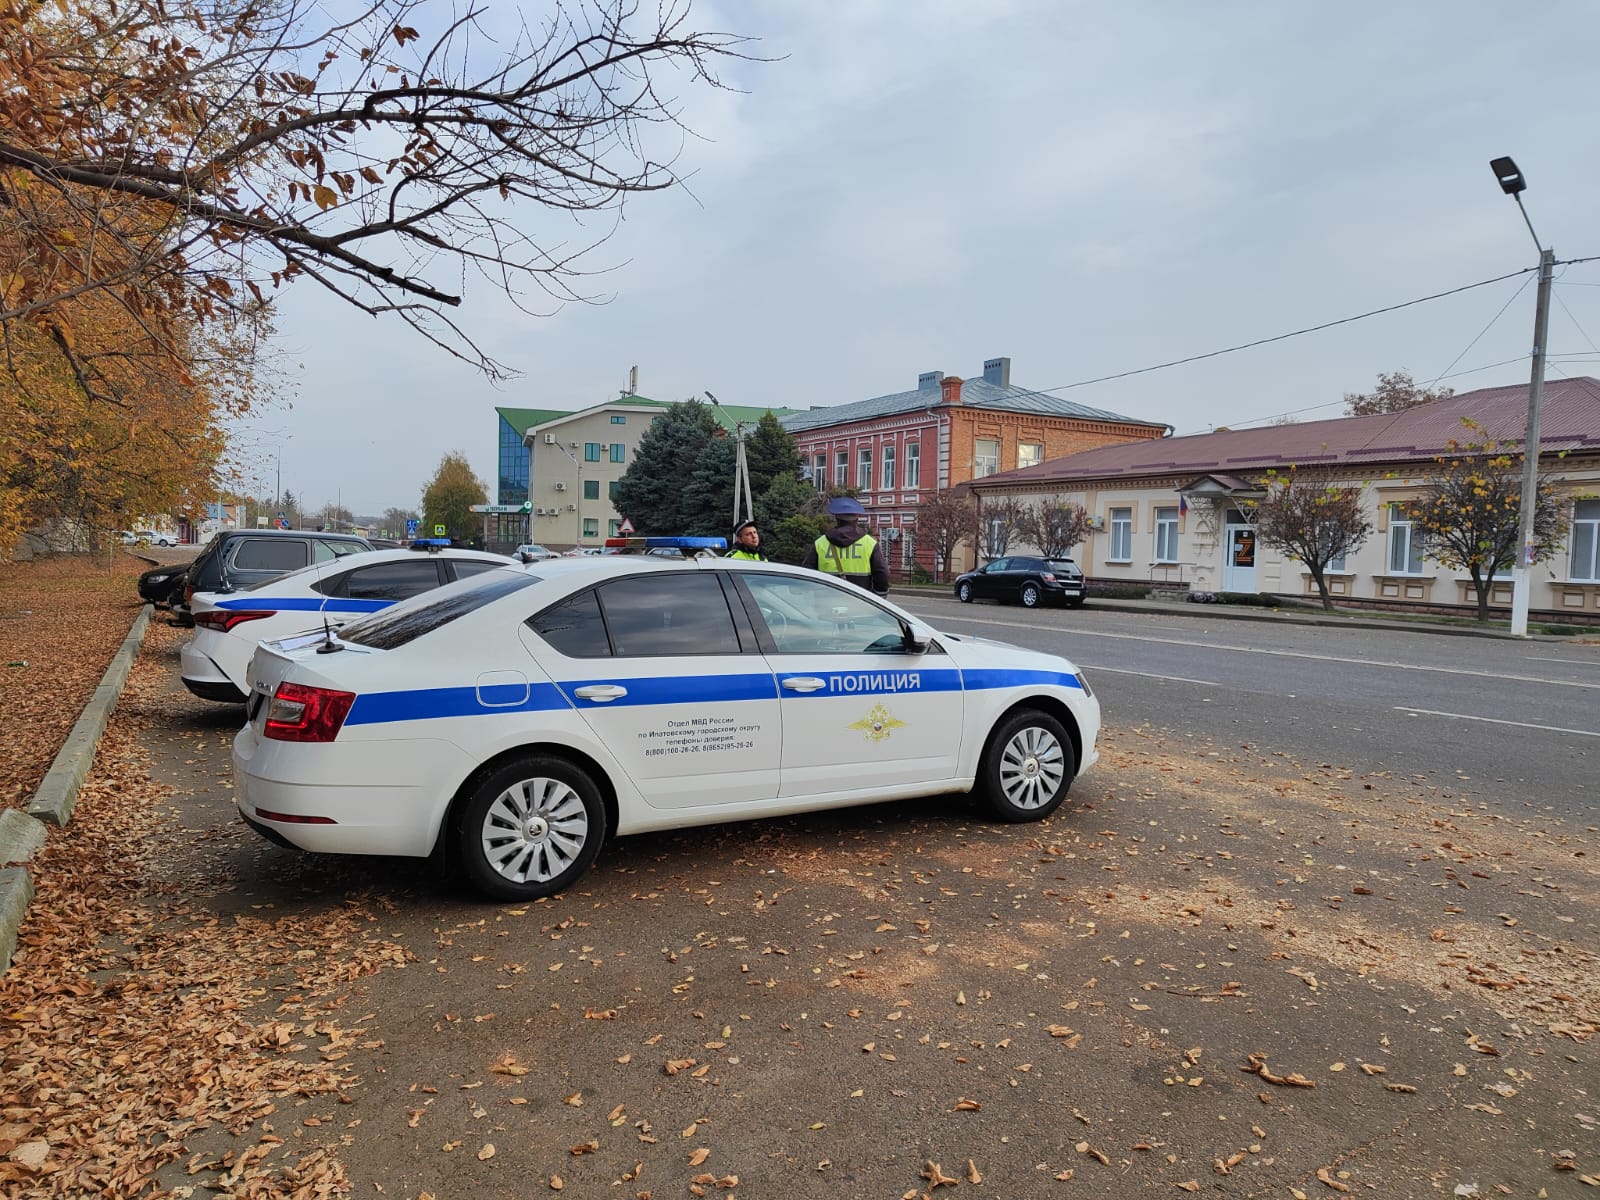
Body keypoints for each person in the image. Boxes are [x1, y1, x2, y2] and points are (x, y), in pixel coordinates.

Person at [803, 496, 889, 595]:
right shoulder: (869, 543)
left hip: (826, 603)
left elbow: (807, 573)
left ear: (836, 519)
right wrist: (878, 596)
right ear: (857, 519)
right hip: (860, 602)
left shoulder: (820, 543)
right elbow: (882, 574)